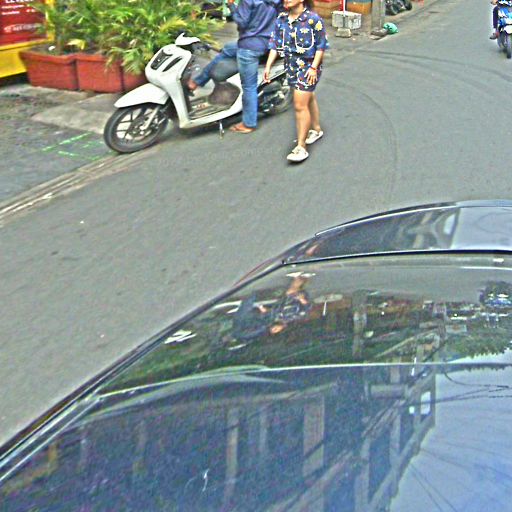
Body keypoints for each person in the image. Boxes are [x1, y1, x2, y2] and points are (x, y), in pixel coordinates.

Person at [189, 0, 281, 133]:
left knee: (249, 87)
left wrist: (232, 5)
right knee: (228, 48)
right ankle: (198, 81)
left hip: (249, 46)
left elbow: (241, 22)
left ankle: (249, 123)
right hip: (267, 43)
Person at [264, 0, 329, 162]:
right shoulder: (282, 19)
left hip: (308, 68)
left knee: (300, 105)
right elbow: (275, 44)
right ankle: (316, 129)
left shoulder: (313, 19)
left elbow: (321, 46)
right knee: (308, 97)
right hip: (291, 67)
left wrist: (313, 68)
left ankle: (301, 147)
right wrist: (268, 66)